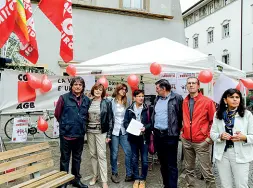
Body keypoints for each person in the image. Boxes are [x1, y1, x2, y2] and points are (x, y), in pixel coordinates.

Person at [210, 88, 253, 188]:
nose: (235, 99)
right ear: (225, 100)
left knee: (241, 185)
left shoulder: (247, 115)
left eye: (237, 97)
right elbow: (212, 134)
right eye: (232, 97)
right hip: (223, 154)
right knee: (226, 185)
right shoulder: (218, 114)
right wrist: (220, 136)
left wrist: (244, 137)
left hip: (240, 153)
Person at [54, 76, 90, 188]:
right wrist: (67, 124)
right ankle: (63, 182)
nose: (78, 86)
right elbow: (57, 114)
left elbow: (86, 116)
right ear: (72, 86)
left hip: (79, 134)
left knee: (77, 158)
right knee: (64, 159)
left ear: (83, 87)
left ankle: (76, 180)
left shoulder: (86, 100)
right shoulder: (63, 98)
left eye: (80, 85)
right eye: (76, 84)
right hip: (66, 134)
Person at [181, 76, 216, 188]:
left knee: (206, 171)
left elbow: (214, 122)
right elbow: (184, 119)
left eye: (194, 83)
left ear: (198, 86)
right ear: (186, 86)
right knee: (189, 169)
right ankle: (190, 186)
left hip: (201, 141)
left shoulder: (207, 102)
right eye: (189, 83)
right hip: (187, 140)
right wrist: (183, 133)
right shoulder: (185, 101)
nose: (191, 85)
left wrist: (209, 138)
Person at [151, 79, 183, 188]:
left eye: (157, 88)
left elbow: (181, 116)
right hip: (157, 135)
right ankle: (166, 185)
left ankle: (172, 186)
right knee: (163, 163)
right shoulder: (157, 99)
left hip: (170, 135)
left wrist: (177, 130)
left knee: (171, 164)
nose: (156, 91)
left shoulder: (177, 98)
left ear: (164, 89)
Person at [86, 83, 113, 188]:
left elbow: (110, 119)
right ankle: (95, 176)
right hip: (89, 131)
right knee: (93, 154)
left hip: (101, 132)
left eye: (100, 90)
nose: (98, 91)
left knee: (102, 155)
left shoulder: (106, 103)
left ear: (103, 92)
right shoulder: (88, 102)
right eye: (96, 89)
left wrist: (109, 135)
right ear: (93, 90)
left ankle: (104, 180)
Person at [123, 89, 151, 188]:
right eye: (139, 96)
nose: (141, 98)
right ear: (134, 98)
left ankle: (142, 179)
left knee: (144, 159)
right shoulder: (129, 109)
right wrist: (130, 128)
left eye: (142, 96)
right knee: (134, 159)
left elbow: (151, 122)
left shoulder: (148, 109)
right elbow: (125, 122)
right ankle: (136, 178)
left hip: (143, 138)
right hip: (133, 138)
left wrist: (145, 128)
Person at [108, 83, 133, 183]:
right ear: (117, 90)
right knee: (114, 154)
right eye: (122, 89)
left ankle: (129, 174)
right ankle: (114, 173)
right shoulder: (111, 101)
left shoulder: (128, 101)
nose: (123, 91)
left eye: (125, 89)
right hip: (114, 131)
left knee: (128, 152)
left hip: (124, 131)